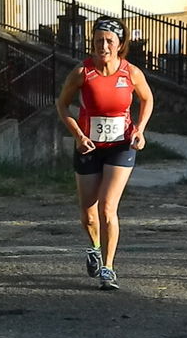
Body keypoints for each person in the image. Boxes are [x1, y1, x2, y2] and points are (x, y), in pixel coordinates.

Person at [56, 16, 153, 290]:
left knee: (107, 208)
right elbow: (62, 105)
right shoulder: (82, 73)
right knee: (88, 214)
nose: (104, 46)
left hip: (121, 146)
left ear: (120, 44)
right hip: (89, 147)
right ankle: (95, 248)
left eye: (109, 41)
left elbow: (147, 99)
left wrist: (140, 129)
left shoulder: (131, 73)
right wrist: (78, 135)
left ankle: (108, 268)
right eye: (98, 40)